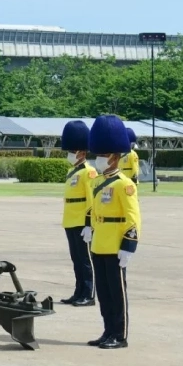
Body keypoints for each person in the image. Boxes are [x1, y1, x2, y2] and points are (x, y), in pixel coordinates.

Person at [86, 115, 142, 349]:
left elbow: (133, 217)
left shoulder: (124, 184)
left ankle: (120, 335)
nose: (99, 158)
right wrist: (89, 226)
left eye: (103, 154)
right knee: (104, 293)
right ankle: (108, 330)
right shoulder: (97, 181)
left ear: (115, 156)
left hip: (116, 244)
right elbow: (94, 208)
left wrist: (129, 245)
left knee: (117, 294)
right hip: (99, 243)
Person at [59, 119, 97, 307]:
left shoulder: (88, 172)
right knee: (76, 259)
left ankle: (89, 293)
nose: (70, 155)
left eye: (73, 151)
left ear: (82, 152)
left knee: (85, 260)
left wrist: (90, 224)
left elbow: (91, 200)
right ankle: (78, 291)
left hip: (82, 221)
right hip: (70, 220)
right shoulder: (72, 171)